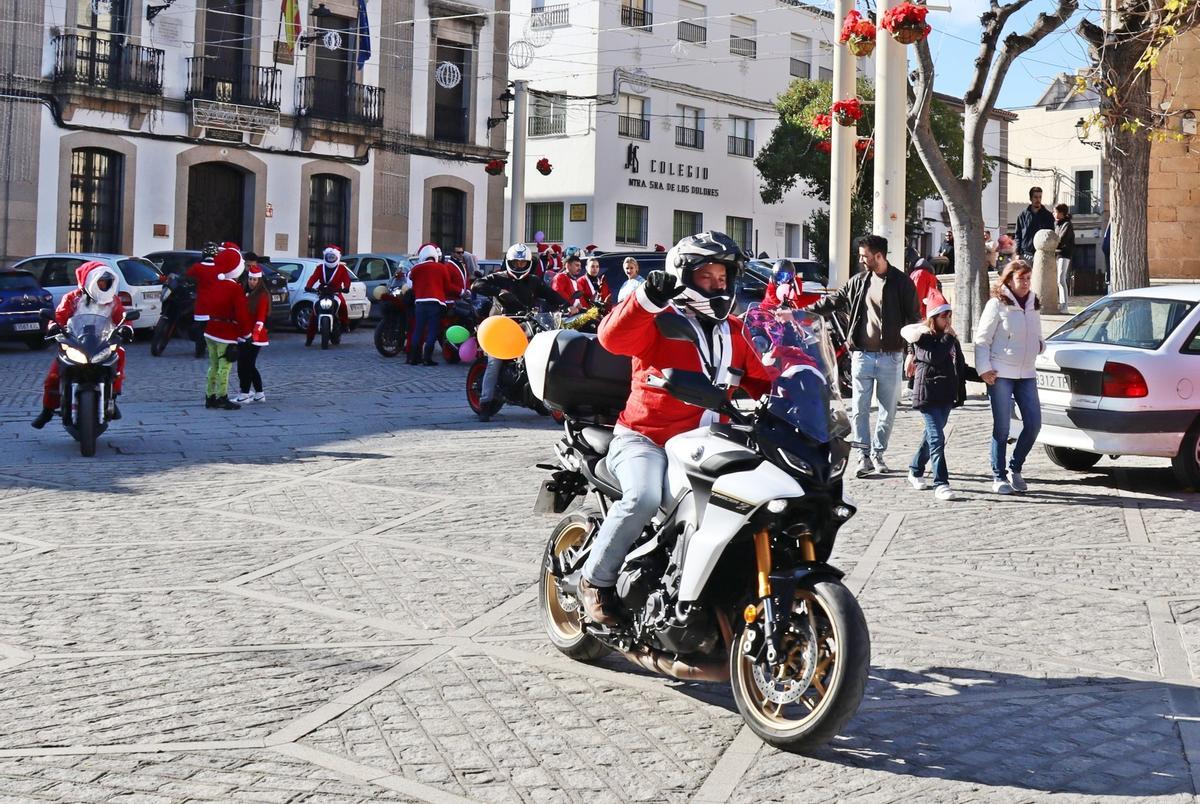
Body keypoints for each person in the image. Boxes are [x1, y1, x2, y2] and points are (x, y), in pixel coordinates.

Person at [579, 231, 774, 624]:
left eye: (724, 278)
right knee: (644, 497)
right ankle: (594, 581)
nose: (719, 285)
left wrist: (800, 381)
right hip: (645, 438)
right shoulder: (660, 321)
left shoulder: (733, 330)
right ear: (684, 275)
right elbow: (611, 338)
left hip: (709, 443)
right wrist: (645, 300)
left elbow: (763, 378)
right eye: (709, 277)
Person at [806, 235, 920, 478]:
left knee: (888, 410)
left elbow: (914, 320)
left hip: (891, 357)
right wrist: (800, 312)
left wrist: (912, 353)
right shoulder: (858, 282)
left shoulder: (902, 283)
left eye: (864, 256)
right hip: (861, 356)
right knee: (859, 409)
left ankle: (878, 453)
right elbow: (832, 302)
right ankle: (863, 456)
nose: (861, 260)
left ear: (879, 256)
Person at [471, 243, 567, 421]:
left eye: (523, 263)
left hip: (526, 324)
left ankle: (539, 396)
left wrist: (569, 306)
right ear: (509, 262)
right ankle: (485, 402)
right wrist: (499, 291)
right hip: (501, 326)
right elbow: (476, 285)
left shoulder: (533, 280)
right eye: (516, 263)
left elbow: (551, 295)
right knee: (494, 362)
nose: (519, 266)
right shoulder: (498, 277)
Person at [32, 261, 132, 429]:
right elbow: (59, 315)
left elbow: (122, 317)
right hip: (75, 342)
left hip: (102, 343)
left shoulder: (113, 301)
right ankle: (47, 410)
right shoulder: (73, 298)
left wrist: (126, 328)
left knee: (119, 354)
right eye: (100, 281)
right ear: (90, 280)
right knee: (53, 376)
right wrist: (54, 326)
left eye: (106, 282)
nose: (103, 285)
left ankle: (112, 397)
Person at [974, 260, 1044, 495]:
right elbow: (982, 338)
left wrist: (1039, 345)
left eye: (1027, 278)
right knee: (1002, 427)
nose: (1024, 283)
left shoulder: (1034, 303)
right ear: (1009, 280)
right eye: (1020, 278)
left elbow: (1036, 332)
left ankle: (1016, 467)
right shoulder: (997, 304)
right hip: (1001, 372)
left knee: (1034, 424)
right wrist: (984, 368)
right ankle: (999, 474)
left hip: (1027, 372)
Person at [902, 289, 967, 502]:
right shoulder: (922, 338)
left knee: (930, 437)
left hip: (946, 395)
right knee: (937, 438)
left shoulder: (951, 339)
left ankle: (914, 469)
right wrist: (949, 337)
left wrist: (986, 376)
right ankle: (941, 483)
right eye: (943, 316)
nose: (948, 319)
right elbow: (934, 357)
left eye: (949, 315)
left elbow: (960, 365)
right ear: (933, 318)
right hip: (928, 395)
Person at [203, 248, 252, 410]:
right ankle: (222, 397)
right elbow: (241, 314)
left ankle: (210, 396)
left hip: (210, 329)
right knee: (225, 366)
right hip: (226, 332)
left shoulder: (215, 284)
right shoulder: (235, 288)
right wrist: (246, 334)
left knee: (213, 365)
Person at [407, 243, 450, 366]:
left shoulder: (416, 268)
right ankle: (427, 358)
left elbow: (410, 281)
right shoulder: (441, 268)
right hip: (436, 302)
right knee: (432, 330)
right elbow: (446, 285)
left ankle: (414, 357)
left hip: (420, 302)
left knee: (418, 329)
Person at [234, 260, 269, 403]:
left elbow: (261, 318)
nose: (252, 282)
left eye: (255, 279)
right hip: (244, 335)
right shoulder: (245, 292)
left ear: (259, 280)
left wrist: (254, 335)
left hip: (255, 337)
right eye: (250, 279)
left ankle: (245, 393)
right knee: (247, 365)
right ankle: (259, 393)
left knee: (245, 365)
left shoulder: (262, 295)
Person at [304, 246, 352, 347]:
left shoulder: (342, 268)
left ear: (337, 257)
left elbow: (347, 280)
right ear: (325, 257)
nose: (330, 259)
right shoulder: (320, 267)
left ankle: (345, 324)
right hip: (322, 292)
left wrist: (346, 287)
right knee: (314, 314)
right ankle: (309, 338)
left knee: (343, 305)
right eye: (328, 256)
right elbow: (313, 278)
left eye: (332, 257)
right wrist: (308, 286)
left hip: (336, 292)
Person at [186, 241, 221, 358]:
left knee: (200, 330)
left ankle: (199, 352)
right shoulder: (219, 268)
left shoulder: (197, 267)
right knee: (214, 330)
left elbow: (187, 275)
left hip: (201, 303)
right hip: (215, 304)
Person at [1014, 186, 1055, 261]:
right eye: (1035, 197)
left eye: (1040, 197)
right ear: (1030, 198)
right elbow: (1018, 235)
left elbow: (1051, 235)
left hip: (1043, 254)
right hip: (1026, 254)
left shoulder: (1048, 216)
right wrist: (1017, 253)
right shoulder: (1022, 216)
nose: (1038, 200)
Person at [1053, 204, 1075, 314]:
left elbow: (1061, 239)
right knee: (1058, 280)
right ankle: (1061, 304)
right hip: (1057, 254)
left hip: (1064, 254)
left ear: (1061, 213)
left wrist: (1054, 245)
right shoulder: (1057, 224)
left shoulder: (1067, 225)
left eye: (1055, 212)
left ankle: (1064, 305)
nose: (1054, 214)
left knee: (1061, 279)